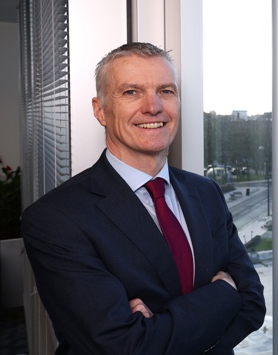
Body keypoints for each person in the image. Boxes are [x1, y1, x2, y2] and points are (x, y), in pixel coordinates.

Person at [22, 42, 265, 354]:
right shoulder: (56, 218)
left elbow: (252, 304)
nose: (153, 107)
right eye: (131, 92)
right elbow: (121, 346)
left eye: (165, 90)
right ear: (100, 110)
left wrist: (156, 330)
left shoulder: (205, 192)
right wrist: (222, 294)